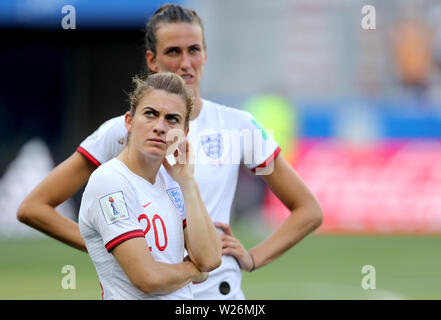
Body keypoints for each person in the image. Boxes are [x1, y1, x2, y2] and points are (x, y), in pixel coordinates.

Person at [18, 4, 322, 299]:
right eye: (173, 51)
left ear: (205, 54)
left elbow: (306, 209)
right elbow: (35, 207)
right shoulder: (123, 131)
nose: (185, 62)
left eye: (194, 49)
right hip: (149, 290)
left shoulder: (238, 127)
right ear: (152, 60)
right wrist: (108, 244)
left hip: (218, 293)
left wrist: (253, 257)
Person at [78, 72, 221, 299]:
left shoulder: (174, 182)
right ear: (129, 122)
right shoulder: (110, 182)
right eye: (150, 114)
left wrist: (188, 182)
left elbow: (211, 258)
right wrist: (194, 271)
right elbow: (147, 279)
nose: (160, 127)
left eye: (172, 119)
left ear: (183, 133)